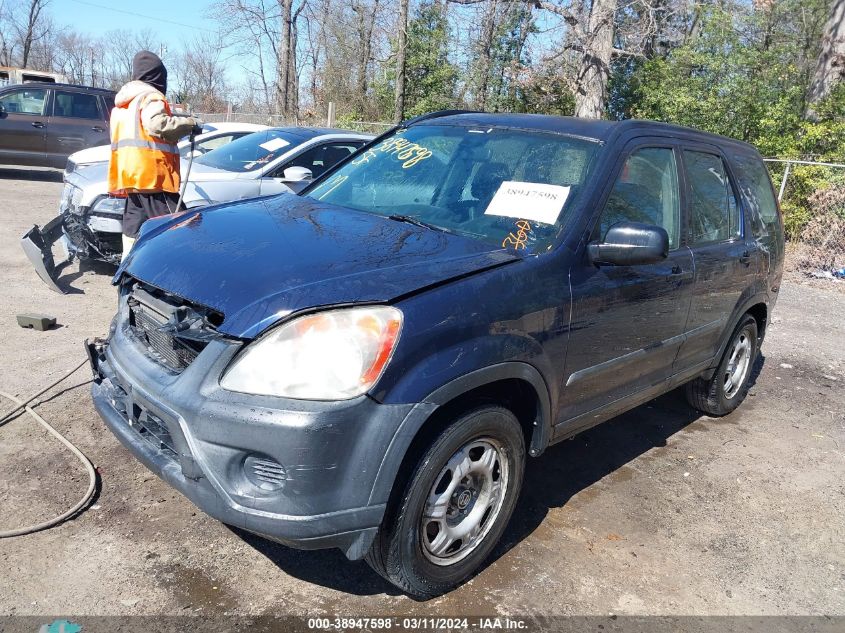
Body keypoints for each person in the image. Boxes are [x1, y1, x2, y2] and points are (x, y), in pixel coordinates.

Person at [108, 50, 200, 255]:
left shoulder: (124, 104)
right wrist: (189, 124)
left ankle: (128, 271)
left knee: (132, 230)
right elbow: (157, 125)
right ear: (157, 76)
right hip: (152, 178)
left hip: (131, 177)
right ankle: (181, 276)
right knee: (180, 227)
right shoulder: (151, 97)